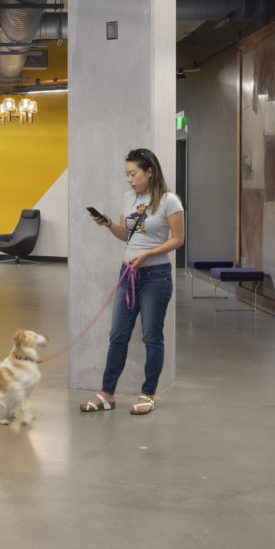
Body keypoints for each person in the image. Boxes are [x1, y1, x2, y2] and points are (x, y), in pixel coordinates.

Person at [80, 147, 184, 416]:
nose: (129, 179)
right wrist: (108, 225)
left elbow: (177, 239)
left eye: (133, 173)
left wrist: (148, 253)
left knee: (151, 336)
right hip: (127, 275)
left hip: (155, 277)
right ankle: (107, 394)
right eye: (127, 174)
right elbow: (127, 235)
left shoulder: (170, 201)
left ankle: (147, 394)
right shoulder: (129, 198)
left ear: (150, 172)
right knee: (118, 336)